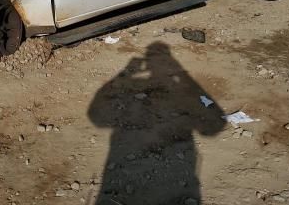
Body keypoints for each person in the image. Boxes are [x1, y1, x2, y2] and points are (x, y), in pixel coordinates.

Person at [88, 41, 225, 204]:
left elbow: (96, 115)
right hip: (177, 169)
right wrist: (183, 76)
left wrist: (127, 71)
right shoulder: (174, 86)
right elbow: (215, 125)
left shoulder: (148, 87)